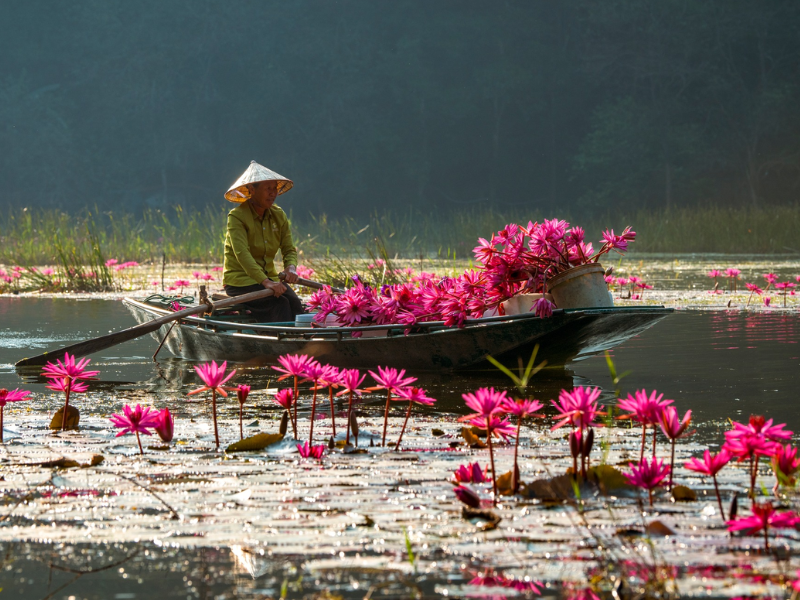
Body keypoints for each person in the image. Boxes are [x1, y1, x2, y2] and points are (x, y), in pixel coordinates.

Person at [222, 161, 304, 322]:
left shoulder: (278, 215)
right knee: (280, 305)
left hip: (270, 280)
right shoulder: (237, 217)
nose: (273, 193)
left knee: (295, 303)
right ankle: (283, 344)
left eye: (275, 188)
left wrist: (291, 268)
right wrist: (266, 282)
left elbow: (288, 249)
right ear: (252, 190)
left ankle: (303, 344)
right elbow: (242, 254)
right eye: (268, 189)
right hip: (241, 282)